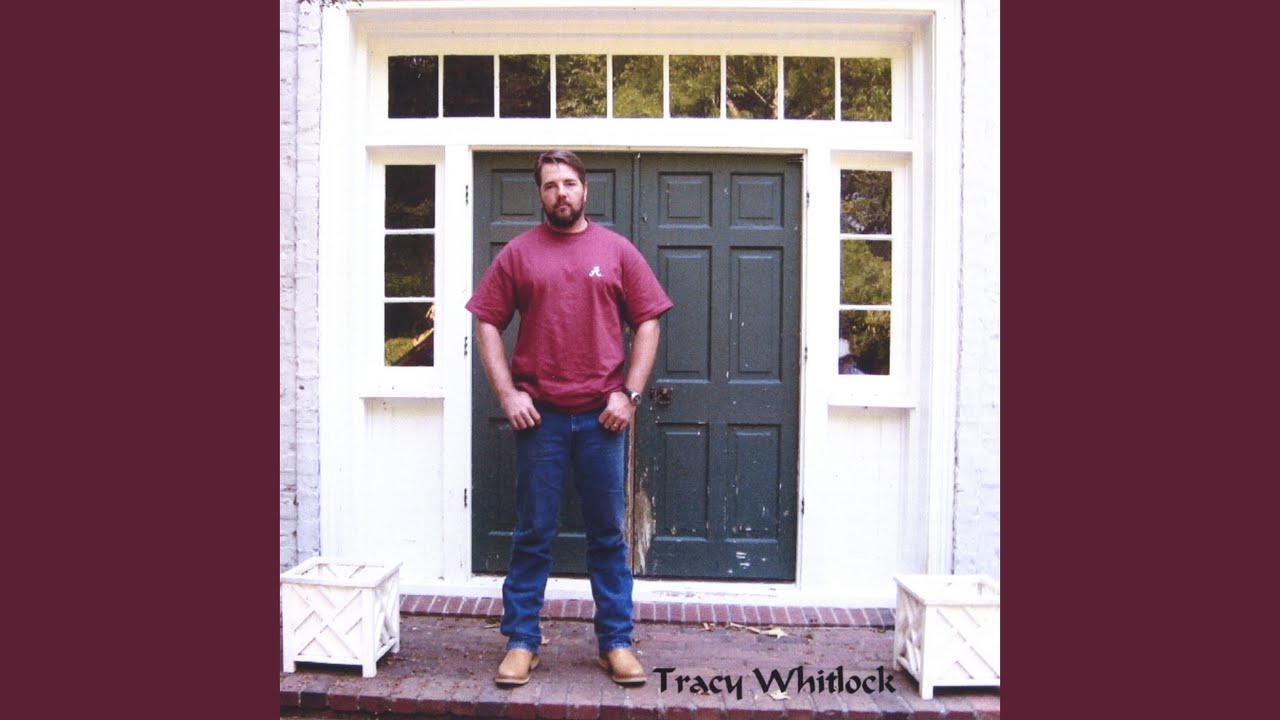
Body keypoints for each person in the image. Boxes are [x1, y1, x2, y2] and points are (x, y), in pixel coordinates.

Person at [465, 149, 674, 688]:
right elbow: (486, 322)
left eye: (570, 183)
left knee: (607, 536)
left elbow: (649, 321)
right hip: (541, 422)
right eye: (551, 184)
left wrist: (629, 395)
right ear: (540, 193)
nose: (561, 192)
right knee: (533, 533)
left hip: (604, 419)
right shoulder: (518, 253)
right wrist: (508, 394)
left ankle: (616, 642)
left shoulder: (616, 251)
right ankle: (521, 641)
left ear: (585, 189)